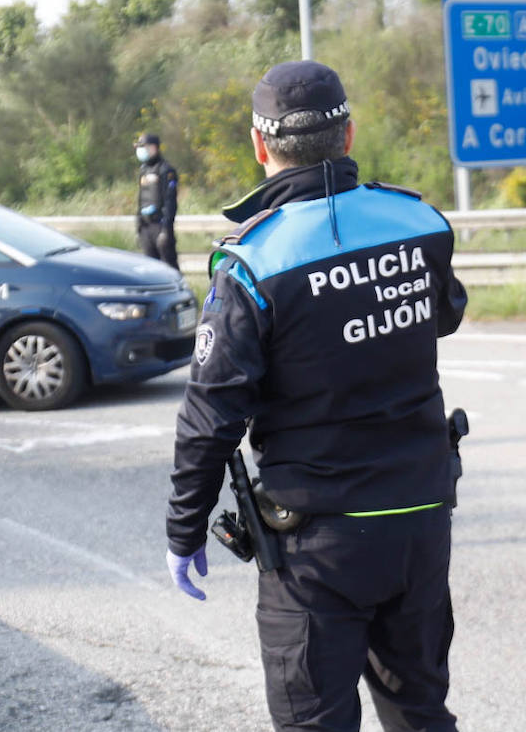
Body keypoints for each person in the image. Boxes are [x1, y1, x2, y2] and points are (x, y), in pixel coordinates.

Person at [164, 61, 467, 731]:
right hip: (420, 517)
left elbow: (211, 415)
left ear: (259, 145)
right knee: (421, 712)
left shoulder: (253, 261)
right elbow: (445, 315)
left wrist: (185, 530)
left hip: (317, 543)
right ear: (349, 134)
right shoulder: (419, 221)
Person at [134, 133, 179, 269]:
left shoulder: (166, 170)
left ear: (154, 148)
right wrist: (139, 226)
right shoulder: (143, 170)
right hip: (146, 226)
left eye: (144, 147)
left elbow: (170, 202)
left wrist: (165, 230)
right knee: (151, 268)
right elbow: (141, 199)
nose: (141, 150)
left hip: (160, 226)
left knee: (169, 267)